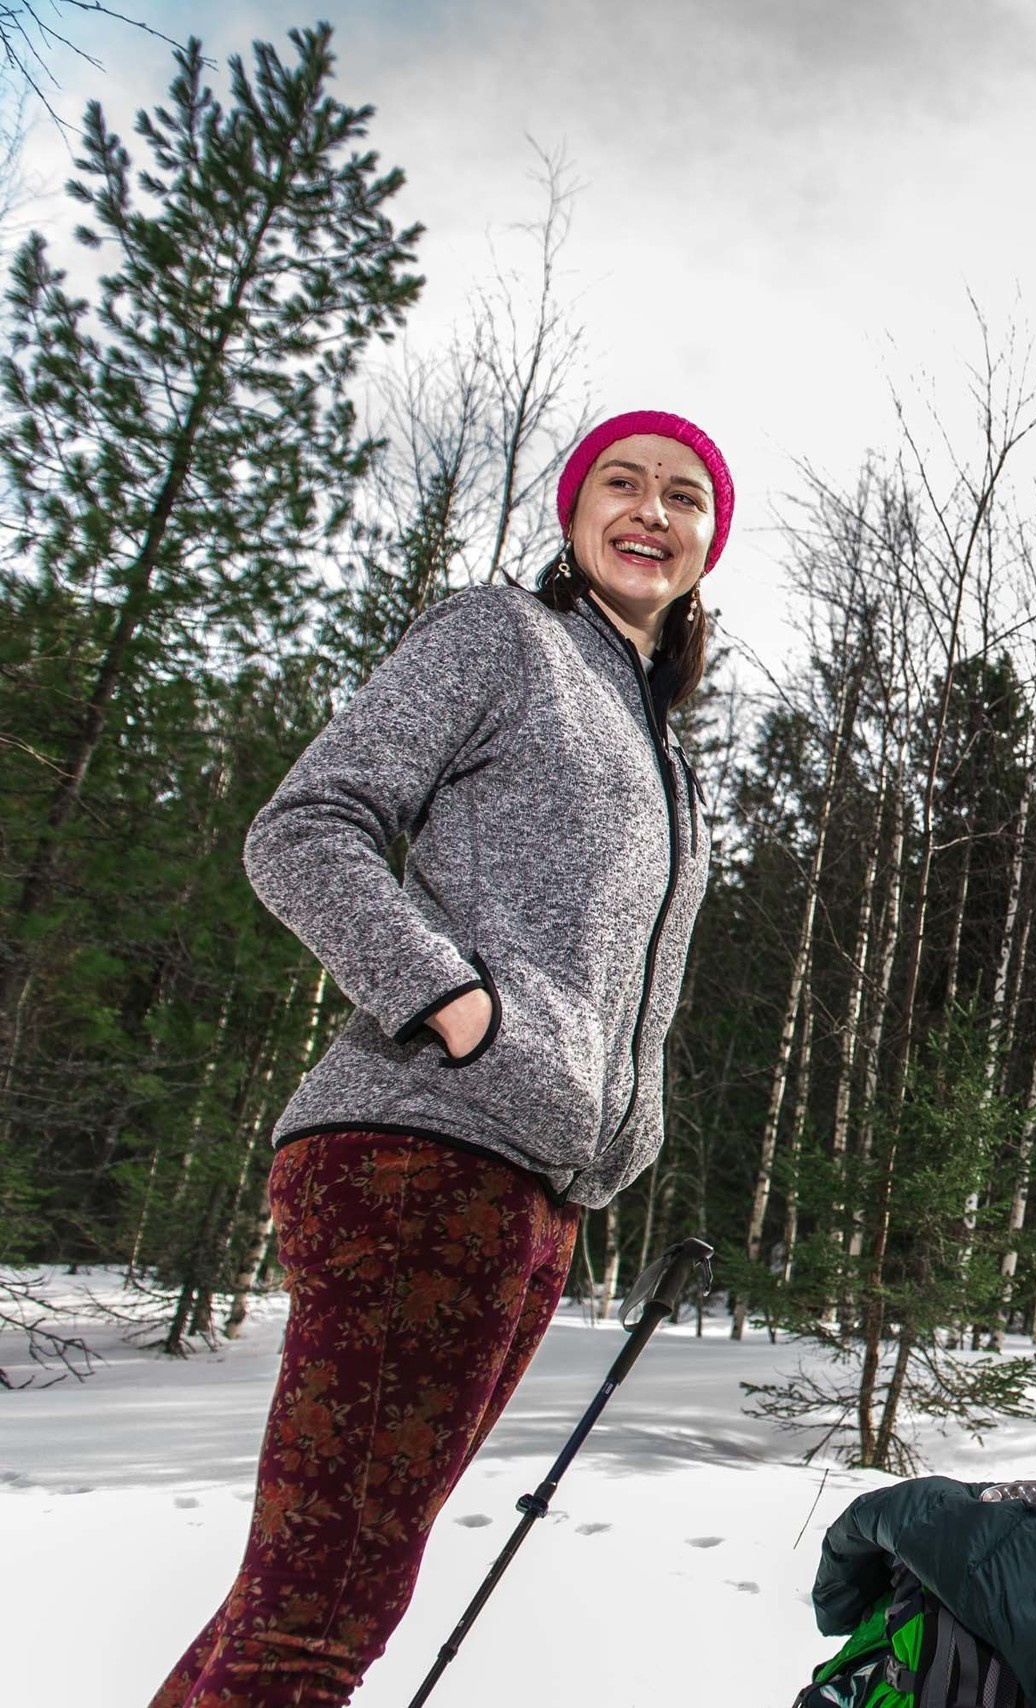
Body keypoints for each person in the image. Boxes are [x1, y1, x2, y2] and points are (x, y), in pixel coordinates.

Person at [152, 410, 734, 1707]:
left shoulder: (665, 749)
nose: (650, 509)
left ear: (709, 542)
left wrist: (612, 1127)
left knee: (303, 1601)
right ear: (576, 518)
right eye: (619, 485)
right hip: (425, 1154)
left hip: (534, 1196)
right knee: (318, 1623)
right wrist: (453, 1005)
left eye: (683, 495)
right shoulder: (501, 638)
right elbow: (307, 829)